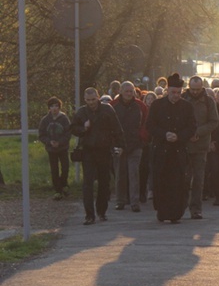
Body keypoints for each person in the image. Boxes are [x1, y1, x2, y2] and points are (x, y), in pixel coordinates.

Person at [146, 73, 197, 223]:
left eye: (178, 93)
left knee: (178, 183)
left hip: (178, 151)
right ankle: (162, 212)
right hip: (161, 150)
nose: (175, 96)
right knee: (161, 182)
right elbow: (150, 125)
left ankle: (176, 213)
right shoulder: (157, 105)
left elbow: (192, 126)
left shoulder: (187, 107)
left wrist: (179, 136)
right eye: (173, 92)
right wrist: (164, 134)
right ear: (167, 90)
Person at [71, 88, 125, 225]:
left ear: (98, 97)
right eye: (88, 100)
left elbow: (117, 129)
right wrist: (83, 128)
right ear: (85, 100)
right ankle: (89, 215)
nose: (91, 103)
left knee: (104, 182)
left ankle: (101, 211)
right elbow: (72, 128)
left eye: (93, 99)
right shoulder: (82, 112)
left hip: (104, 150)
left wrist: (120, 146)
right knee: (87, 183)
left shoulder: (107, 110)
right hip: (88, 151)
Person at [182, 76, 219, 219]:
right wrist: (187, 134)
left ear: (202, 87)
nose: (195, 92)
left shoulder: (209, 101)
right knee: (184, 178)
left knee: (198, 179)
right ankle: (181, 205)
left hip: (200, 146)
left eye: (198, 89)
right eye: (193, 89)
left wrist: (198, 132)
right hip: (184, 145)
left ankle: (196, 208)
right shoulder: (183, 99)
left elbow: (214, 121)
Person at [111, 81, 149, 212]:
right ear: (120, 91)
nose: (128, 94)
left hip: (135, 144)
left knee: (134, 173)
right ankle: (120, 201)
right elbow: (109, 124)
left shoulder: (140, 106)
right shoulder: (113, 106)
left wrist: (141, 137)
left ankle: (134, 202)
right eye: (126, 91)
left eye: (131, 91)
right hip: (119, 145)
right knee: (120, 174)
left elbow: (146, 122)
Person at [38, 96, 71, 200]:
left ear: (59, 107)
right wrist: (49, 142)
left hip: (63, 148)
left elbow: (68, 133)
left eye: (56, 106)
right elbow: (41, 135)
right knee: (54, 169)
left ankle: (63, 184)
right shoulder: (45, 120)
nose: (54, 108)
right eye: (52, 106)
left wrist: (60, 142)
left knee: (65, 168)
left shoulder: (64, 118)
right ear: (49, 108)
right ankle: (57, 190)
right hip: (51, 149)